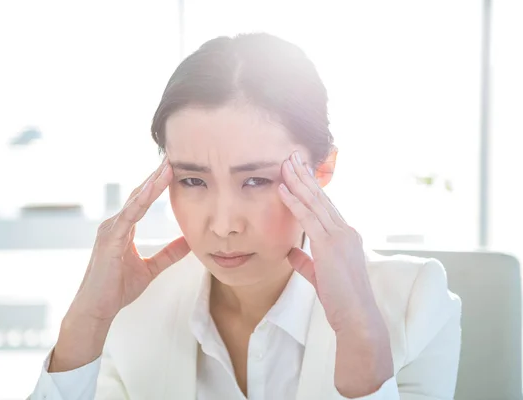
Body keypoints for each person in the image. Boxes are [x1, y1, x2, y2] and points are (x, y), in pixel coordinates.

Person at [29, 33, 461, 400]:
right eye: (193, 181)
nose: (223, 225)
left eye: (255, 181)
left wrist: (358, 335)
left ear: (323, 169)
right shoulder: (131, 308)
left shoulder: (413, 303)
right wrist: (86, 322)